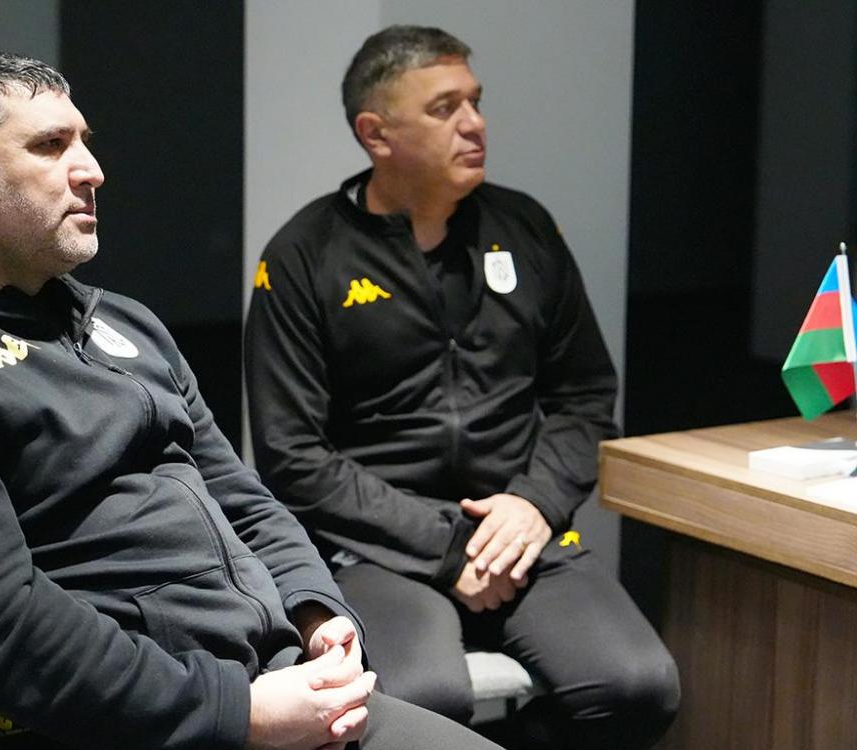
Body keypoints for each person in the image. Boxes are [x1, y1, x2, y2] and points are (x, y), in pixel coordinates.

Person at [0, 51, 504, 750]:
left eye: (84, 142)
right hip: (142, 725)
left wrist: (318, 613)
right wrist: (238, 713)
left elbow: (242, 500)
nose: (91, 170)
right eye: (50, 145)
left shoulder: (122, 322)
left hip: (270, 680)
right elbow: (0, 626)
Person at [245, 25, 680, 750]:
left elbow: (584, 396)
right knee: (422, 699)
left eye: (474, 102)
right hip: (376, 546)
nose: (475, 124)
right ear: (376, 134)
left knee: (639, 686)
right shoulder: (303, 255)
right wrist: (451, 548)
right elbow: (292, 455)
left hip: (520, 532)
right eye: (445, 108)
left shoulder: (525, 227)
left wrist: (535, 503)